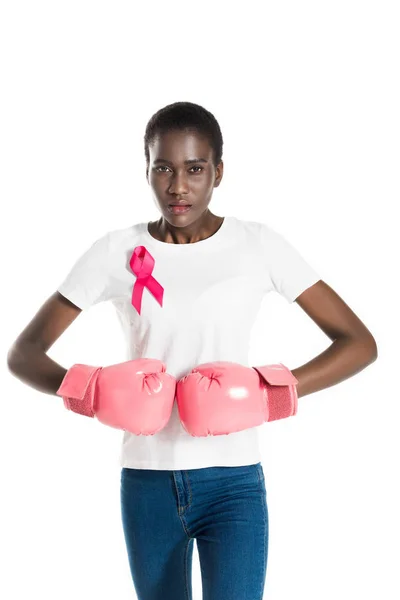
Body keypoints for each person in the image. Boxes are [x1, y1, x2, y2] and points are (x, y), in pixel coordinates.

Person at [7, 101, 378, 600]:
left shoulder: (258, 245)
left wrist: (271, 393)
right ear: (147, 171)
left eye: (195, 169)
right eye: (163, 168)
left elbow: (359, 342)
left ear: (218, 172)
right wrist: (92, 391)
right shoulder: (115, 251)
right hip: (147, 483)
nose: (177, 186)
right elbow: (24, 353)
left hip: (234, 483)